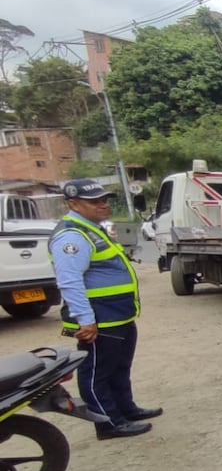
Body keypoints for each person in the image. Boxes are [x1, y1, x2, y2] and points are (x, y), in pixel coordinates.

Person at [49, 179, 163, 440]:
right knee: (97, 372)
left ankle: (126, 409)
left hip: (118, 315)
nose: (102, 205)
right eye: (94, 201)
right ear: (73, 204)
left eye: (104, 200)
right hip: (100, 318)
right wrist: (85, 320)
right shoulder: (72, 236)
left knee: (119, 367)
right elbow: (69, 280)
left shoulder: (92, 230)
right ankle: (108, 423)